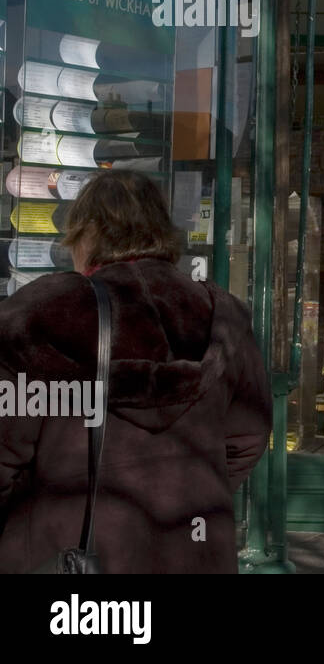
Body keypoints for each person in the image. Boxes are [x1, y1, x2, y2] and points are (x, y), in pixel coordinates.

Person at [0, 170, 272, 573]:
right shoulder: (219, 315)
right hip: (192, 550)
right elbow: (247, 435)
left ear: (86, 234)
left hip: (67, 554)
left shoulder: (42, 315)